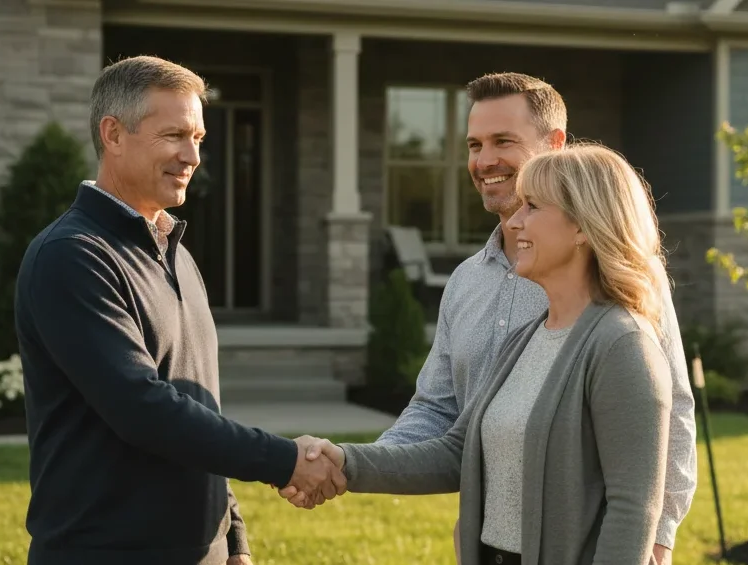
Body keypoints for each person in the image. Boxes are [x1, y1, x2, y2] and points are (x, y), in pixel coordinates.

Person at [283, 73, 696, 563]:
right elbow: (445, 421)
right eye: (475, 145)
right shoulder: (484, 299)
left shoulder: (621, 326)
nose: (485, 161)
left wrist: (656, 538)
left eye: (504, 141)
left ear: (555, 145)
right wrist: (346, 464)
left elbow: (662, 424)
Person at [13, 55, 344, 565]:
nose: (191, 155)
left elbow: (196, 406)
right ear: (113, 134)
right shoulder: (72, 256)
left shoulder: (176, 253)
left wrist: (232, 536)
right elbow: (142, 409)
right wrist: (284, 460)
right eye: (174, 136)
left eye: (199, 138)